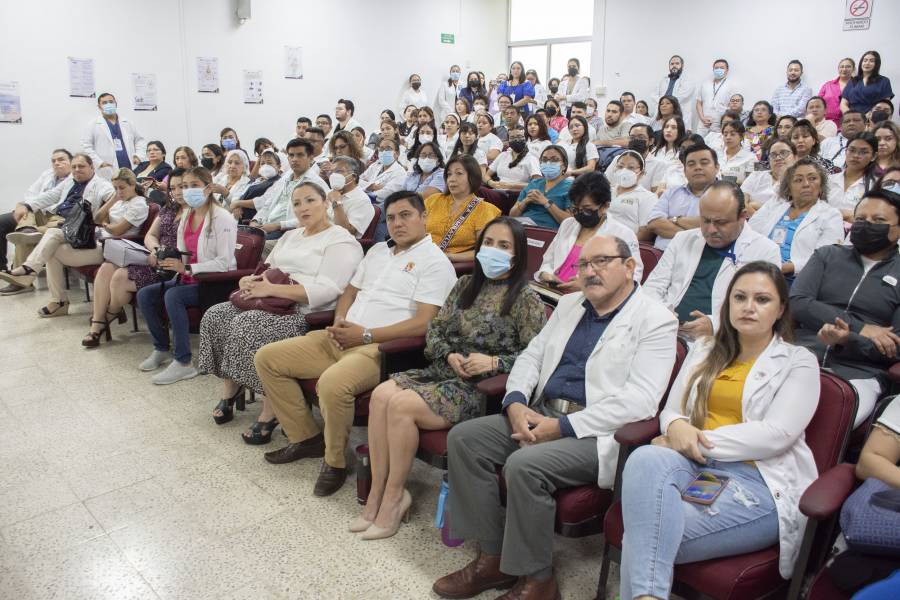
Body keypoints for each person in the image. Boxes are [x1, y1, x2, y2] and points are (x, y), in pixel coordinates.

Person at [432, 234, 678, 600]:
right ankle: (493, 557)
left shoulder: (656, 320)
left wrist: (562, 427)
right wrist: (514, 402)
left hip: (596, 433)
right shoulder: (570, 305)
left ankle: (539, 580)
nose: (589, 272)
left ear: (629, 267)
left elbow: (641, 401)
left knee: (526, 466)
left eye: (602, 262)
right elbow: (531, 357)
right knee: (465, 439)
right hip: (542, 411)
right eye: (583, 264)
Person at [620, 261, 820, 600]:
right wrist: (678, 426)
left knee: (642, 536)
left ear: (781, 308)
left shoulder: (797, 361)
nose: (748, 307)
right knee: (645, 458)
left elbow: (776, 434)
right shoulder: (706, 349)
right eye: (739, 297)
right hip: (695, 464)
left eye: (762, 299)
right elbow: (672, 410)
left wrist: (688, 438)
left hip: (756, 480)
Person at [255, 190, 457, 496]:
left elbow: (424, 322)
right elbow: (349, 291)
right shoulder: (377, 252)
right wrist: (338, 321)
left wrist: (364, 335)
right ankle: (307, 437)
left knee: (333, 384)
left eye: (406, 215)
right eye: (390, 218)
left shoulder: (436, 263)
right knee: (268, 358)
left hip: (380, 348)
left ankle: (334, 461)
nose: (397, 223)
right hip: (340, 336)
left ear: (424, 217)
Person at [356, 217, 546, 539]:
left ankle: (393, 498)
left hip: (481, 388)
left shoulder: (527, 300)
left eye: (503, 246)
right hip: (444, 370)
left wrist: (495, 362)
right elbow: (436, 331)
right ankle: (376, 492)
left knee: (401, 405)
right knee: (380, 395)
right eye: (488, 243)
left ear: (517, 255)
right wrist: (449, 354)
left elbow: (538, 359)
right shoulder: (465, 284)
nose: (493, 251)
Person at [200, 181, 363, 441]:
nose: (303, 208)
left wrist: (271, 291)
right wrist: (250, 282)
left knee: (248, 324)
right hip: (271, 300)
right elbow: (266, 269)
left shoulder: (340, 240)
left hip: (304, 312)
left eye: (310, 200)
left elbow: (328, 290)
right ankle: (231, 386)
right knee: (217, 315)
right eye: (297, 203)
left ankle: (272, 408)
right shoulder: (290, 236)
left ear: (325, 202)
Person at [792, 189, 900, 427]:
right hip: (802, 354)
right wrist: (861, 328)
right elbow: (798, 302)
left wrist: (846, 339)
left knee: (825, 426)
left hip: (860, 373)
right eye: (860, 219)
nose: (867, 225)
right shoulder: (827, 255)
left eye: (879, 221)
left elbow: (894, 346)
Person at [1, 164, 147, 320]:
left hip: (112, 248)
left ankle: (55, 298)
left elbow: (116, 230)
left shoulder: (139, 204)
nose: (118, 191)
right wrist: (113, 200)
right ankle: (31, 269)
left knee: (52, 250)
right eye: (115, 188)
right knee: (53, 235)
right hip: (98, 240)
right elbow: (97, 218)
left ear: (133, 185)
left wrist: (105, 224)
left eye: (122, 188)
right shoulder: (119, 200)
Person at [136, 166, 237, 385]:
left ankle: (183, 363)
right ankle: (161, 348)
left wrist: (188, 269)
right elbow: (184, 254)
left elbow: (224, 262)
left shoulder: (223, 218)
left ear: (208, 188)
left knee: (174, 296)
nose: (187, 190)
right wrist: (168, 260)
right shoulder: (187, 216)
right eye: (184, 186)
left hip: (215, 282)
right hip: (189, 278)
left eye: (194, 186)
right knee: (145, 294)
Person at [644, 181, 781, 341]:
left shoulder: (765, 251)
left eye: (721, 222)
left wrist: (715, 325)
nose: (711, 230)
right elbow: (653, 286)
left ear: (743, 216)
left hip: (722, 339)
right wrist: (662, 314)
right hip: (665, 330)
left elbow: (762, 310)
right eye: (705, 220)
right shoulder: (683, 239)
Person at [85, 169, 187, 345]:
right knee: (106, 268)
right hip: (155, 256)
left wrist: (166, 255)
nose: (177, 192)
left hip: (173, 265)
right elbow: (150, 235)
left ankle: (106, 316)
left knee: (119, 278)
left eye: (183, 187)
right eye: (173, 188)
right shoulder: (168, 210)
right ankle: (98, 323)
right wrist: (155, 249)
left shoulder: (195, 213)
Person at [1, 154, 115, 297]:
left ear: (92, 167)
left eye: (81, 166)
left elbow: (115, 198)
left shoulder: (102, 186)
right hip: (53, 217)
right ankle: (28, 231)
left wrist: (103, 217)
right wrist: (26, 205)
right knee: (27, 213)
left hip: (71, 224)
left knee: (40, 238)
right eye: (74, 167)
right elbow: (51, 195)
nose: (77, 169)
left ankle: (25, 273)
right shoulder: (70, 180)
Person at [536, 171, 644, 290]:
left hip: (593, 301)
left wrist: (589, 286)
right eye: (575, 209)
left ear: (605, 206)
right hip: (553, 292)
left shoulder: (623, 234)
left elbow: (632, 277)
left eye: (587, 209)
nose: (579, 214)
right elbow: (548, 260)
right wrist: (545, 274)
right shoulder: (568, 225)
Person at [748, 158, 843, 281]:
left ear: (821, 186)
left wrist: (787, 267)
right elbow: (750, 234)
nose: (806, 184)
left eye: (812, 178)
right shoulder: (774, 205)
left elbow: (826, 258)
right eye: (798, 180)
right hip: (759, 270)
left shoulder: (831, 215)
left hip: (799, 279)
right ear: (789, 187)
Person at [0, 149, 71, 282]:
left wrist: (30, 205)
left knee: (23, 234)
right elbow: (30, 193)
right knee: (2, 222)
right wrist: (25, 205)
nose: (57, 163)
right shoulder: (47, 174)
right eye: (53, 161)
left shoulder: (75, 178)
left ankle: (19, 280)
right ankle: (1, 267)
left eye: (61, 159)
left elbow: (56, 199)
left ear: (71, 162)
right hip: (35, 213)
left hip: (55, 215)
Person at [425, 155, 500, 262]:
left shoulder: (485, 210)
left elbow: (485, 250)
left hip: (453, 267)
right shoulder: (433, 200)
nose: (451, 179)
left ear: (472, 177)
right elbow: (415, 232)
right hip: (422, 257)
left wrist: (450, 257)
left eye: (459, 173)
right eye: (449, 174)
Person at [648, 143, 718, 249]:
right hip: (662, 255)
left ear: (717, 167)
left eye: (704, 163)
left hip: (703, 256)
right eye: (691, 164)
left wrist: (675, 220)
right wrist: (695, 235)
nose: (698, 167)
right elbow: (654, 223)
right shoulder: (671, 193)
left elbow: (716, 226)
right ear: (684, 171)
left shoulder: (726, 196)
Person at [510, 145, 574, 230]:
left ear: (564, 166)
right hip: (522, 228)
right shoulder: (534, 184)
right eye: (544, 160)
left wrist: (546, 202)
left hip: (548, 232)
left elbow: (570, 223)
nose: (548, 163)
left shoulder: (571, 187)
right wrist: (525, 202)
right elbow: (512, 215)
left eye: (554, 160)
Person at [81, 93, 146, 173]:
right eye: (104, 103)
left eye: (111, 102)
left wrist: (138, 156)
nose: (108, 104)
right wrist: (99, 163)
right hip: (107, 169)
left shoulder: (127, 123)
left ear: (116, 104)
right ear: (99, 107)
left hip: (130, 167)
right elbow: (86, 147)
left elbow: (139, 140)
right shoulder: (93, 125)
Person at [608, 150, 660, 240]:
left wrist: (622, 248)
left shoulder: (648, 197)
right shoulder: (606, 192)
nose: (624, 171)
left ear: (642, 173)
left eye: (631, 167)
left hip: (624, 247)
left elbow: (645, 232)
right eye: (620, 166)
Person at [827, 133, 878, 221]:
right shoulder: (829, 180)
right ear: (845, 151)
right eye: (852, 150)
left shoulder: (876, 186)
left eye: (864, 152)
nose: (856, 156)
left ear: (873, 156)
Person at [605, 124, 666, 192]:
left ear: (651, 141)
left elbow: (655, 193)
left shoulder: (659, 164)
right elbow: (606, 183)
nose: (636, 140)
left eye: (641, 137)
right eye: (632, 137)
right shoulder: (618, 159)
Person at [325, 156, 376, 239]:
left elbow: (346, 233)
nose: (334, 175)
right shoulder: (331, 192)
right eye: (331, 172)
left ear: (354, 176)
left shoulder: (362, 201)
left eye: (339, 171)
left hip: (338, 244)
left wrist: (336, 202)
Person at [742, 138, 797, 211]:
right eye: (773, 155)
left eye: (783, 153)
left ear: (795, 157)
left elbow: (787, 212)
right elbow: (741, 201)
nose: (778, 158)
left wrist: (755, 205)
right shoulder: (756, 175)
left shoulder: (798, 181)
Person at [486, 127, 540, 191]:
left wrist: (511, 185)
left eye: (519, 136)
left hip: (516, 194)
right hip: (497, 190)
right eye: (512, 138)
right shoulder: (503, 155)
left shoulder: (531, 159)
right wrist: (491, 183)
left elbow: (538, 184)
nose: (516, 140)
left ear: (526, 139)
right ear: (508, 141)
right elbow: (486, 175)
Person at [841, 51, 894, 116]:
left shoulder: (884, 81)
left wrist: (868, 116)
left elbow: (885, 105)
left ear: (877, 64)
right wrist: (852, 116)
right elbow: (843, 104)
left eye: (871, 61)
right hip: (853, 119)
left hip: (874, 119)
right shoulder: (853, 80)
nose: (867, 63)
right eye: (865, 60)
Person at [360, 138, 408, 209]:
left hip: (381, 208)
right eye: (381, 149)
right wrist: (372, 186)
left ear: (397, 153)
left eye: (388, 149)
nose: (384, 151)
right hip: (363, 201)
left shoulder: (400, 173)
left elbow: (385, 194)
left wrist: (365, 188)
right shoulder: (376, 165)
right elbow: (358, 181)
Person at [653, 55, 696, 130]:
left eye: (677, 63)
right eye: (672, 64)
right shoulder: (663, 80)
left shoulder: (688, 80)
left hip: (680, 114)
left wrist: (664, 102)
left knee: (678, 135)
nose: (674, 66)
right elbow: (653, 94)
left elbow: (682, 96)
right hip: (663, 115)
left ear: (682, 65)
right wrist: (662, 102)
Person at [696, 59, 735, 136]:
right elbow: (698, 103)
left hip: (720, 124)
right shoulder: (705, 84)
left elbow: (733, 106)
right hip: (703, 123)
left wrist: (725, 121)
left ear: (727, 70)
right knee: (699, 145)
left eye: (722, 68)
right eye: (716, 68)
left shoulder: (731, 86)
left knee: (716, 146)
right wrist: (702, 118)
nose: (718, 70)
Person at [819, 58, 856, 128]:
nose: (844, 69)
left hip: (850, 124)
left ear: (853, 69)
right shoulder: (828, 85)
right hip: (827, 125)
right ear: (838, 69)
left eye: (848, 66)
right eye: (842, 66)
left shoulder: (858, 86)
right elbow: (818, 103)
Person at [717, 120, 755, 184]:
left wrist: (730, 181)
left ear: (742, 136)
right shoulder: (717, 155)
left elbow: (752, 184)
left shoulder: (751, 158)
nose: (728, 137)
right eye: (725, 134)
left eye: (732, 134)